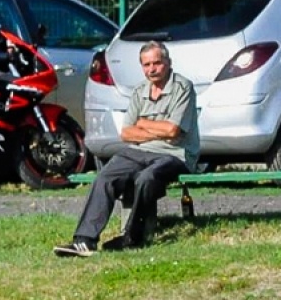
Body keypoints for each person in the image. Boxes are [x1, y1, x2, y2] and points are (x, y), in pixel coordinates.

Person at [54, 40, 197, 256]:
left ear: (168, 63)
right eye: (147, 65)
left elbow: (172, 132)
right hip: (138, 151)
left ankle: (133, 237)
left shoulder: (182, 87)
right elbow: (126, 133)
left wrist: (144, 123)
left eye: (157, 63)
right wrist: (152, 129)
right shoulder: (140, 91)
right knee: (104, 177)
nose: (152, 69)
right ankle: (84, 241)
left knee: (146, 178)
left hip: (174, 154)